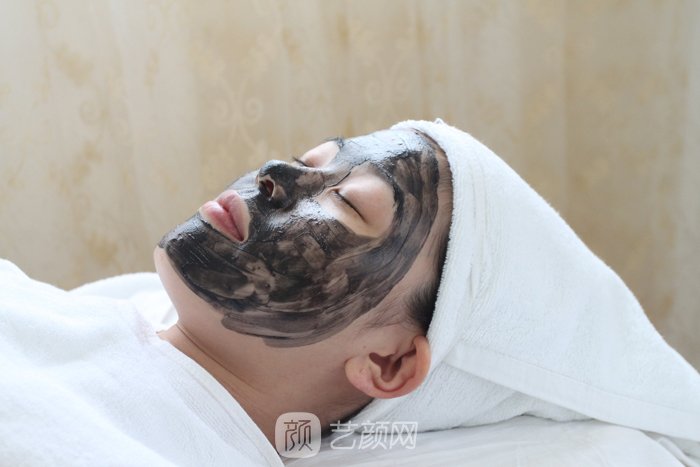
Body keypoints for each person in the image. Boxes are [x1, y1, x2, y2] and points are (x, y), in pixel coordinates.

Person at [1, 120, 698, 466]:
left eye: (346, 205)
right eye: (309, 162)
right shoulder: (61, 308)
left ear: (388, 363)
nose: (274, 174)